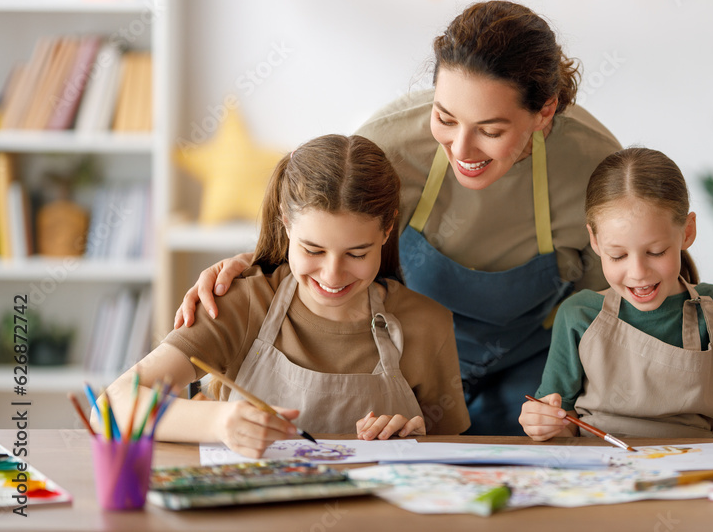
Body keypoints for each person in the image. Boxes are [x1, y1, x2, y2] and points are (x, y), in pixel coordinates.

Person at [172, 1, 713, 435]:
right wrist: (255, 265)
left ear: (545, 112)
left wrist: (710, 308)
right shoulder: (385, 143)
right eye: (444, 117)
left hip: (533, 370)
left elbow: (633, 278)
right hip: (405, 362)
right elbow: (323, 229)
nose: (461, 148)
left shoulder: (591, 160)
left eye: (490, 129)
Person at [102, 135, 469, 458]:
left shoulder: (427, 323)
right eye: (312, 250)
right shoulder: (240, 304)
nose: (332, 275)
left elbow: (451, 455)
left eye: (357, 254)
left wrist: (414, 440)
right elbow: (112, 406)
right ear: (285, 222)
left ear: (388, 229)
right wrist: (219, 422)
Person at [519, 148, 713, 453]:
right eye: (618, 255)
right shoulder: (578, 316)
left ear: (687, 231)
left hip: (693, 478)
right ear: (595, 241)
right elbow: (562, 426)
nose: (638, 272)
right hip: (601, 478)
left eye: (656, 252)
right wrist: (543, 423)